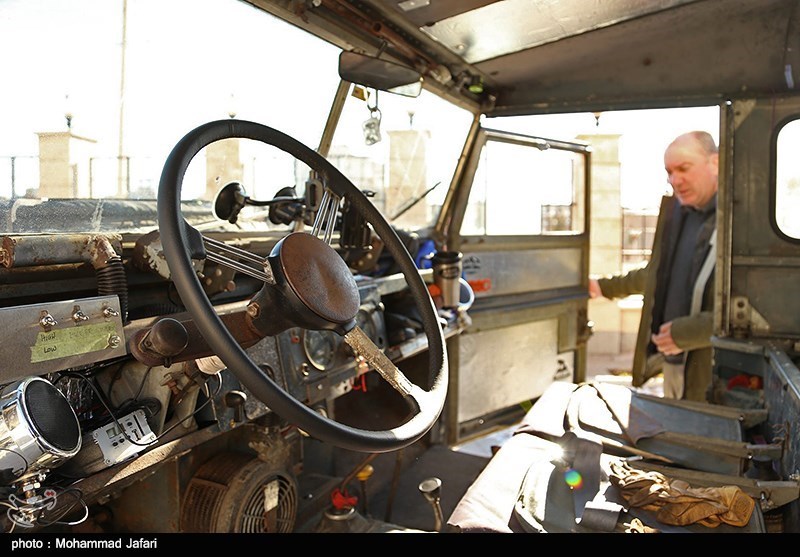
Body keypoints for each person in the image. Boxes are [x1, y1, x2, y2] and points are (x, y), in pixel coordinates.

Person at [589, 130, 719, 401]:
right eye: (669, 172)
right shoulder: (682, 214)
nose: (675, 180)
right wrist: (603, 287)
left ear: (715, 163)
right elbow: (657, 275)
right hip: (673, 365)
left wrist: (687, 333)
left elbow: (753, 310)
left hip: (712, 373)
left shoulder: (736, 221)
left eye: (684, 168)